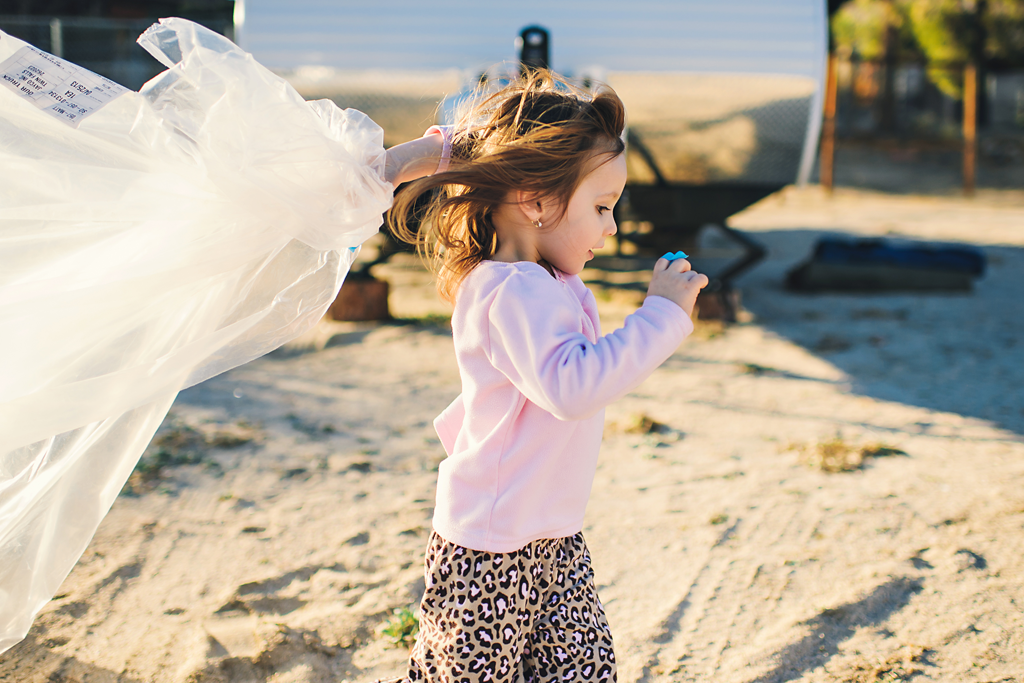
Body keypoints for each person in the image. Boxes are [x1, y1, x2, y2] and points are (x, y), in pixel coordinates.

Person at [383, 70, 710, 683]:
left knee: (582, 669)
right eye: (602, 207)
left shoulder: (546, 280)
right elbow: (571, 387)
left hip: (553, 535)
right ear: (535, 201)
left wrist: (457, 150)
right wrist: (661, 316)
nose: (611, 227)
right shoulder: (507, 289)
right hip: (489, 547)